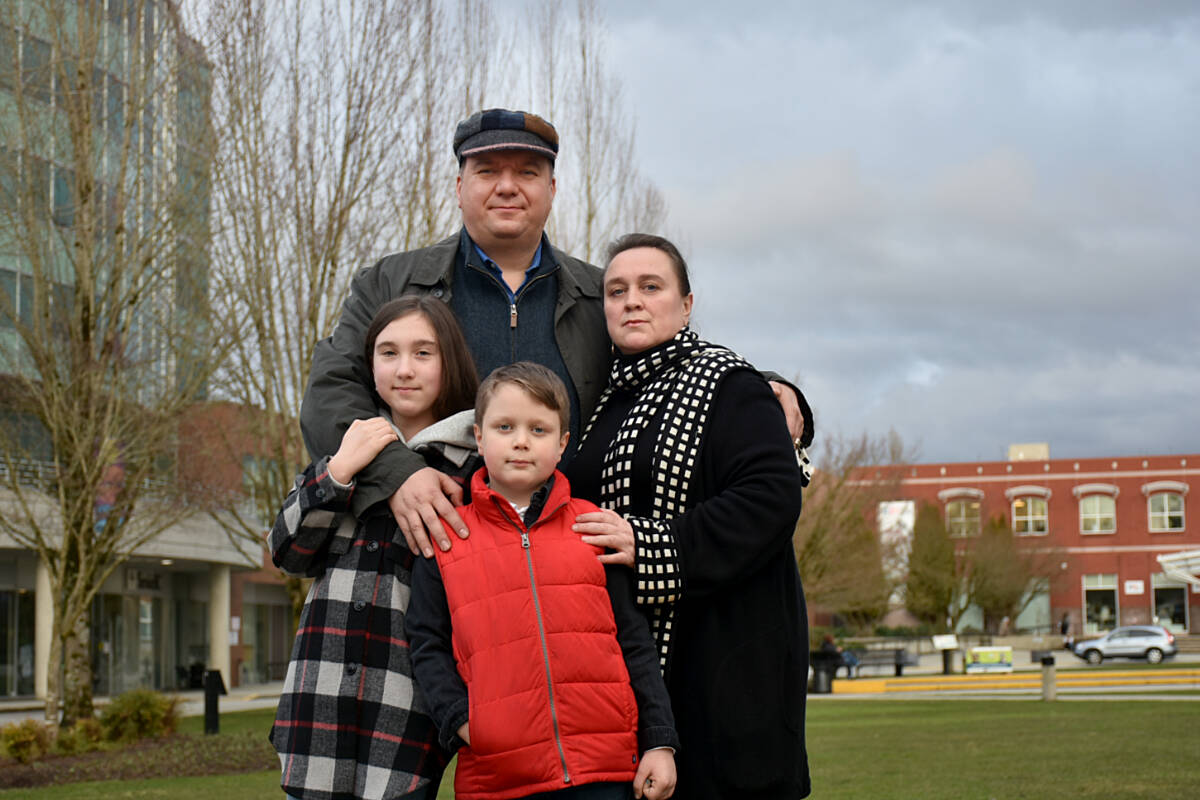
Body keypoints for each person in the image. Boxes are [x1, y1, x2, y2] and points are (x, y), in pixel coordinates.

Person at [299, 108, 813, 561]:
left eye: (527, 172)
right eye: (486, 171)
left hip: (566, 559)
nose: (507, 186)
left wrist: (764, 387)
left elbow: (673, 362)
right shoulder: (391, 282)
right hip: (427, 555)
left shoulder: (600, 293)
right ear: (460, 187)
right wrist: (396, 474)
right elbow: (331, 391)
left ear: (552, 189)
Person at [565, 234, 811, 799]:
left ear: (687, 304)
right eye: (617, 290)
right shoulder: (603, 400)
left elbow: (771, 496)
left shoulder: (730, 382)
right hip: (631, 672)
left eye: (651, 287)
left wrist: (650, 544)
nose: (632, 301)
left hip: (727, 660)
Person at [407, 362, 679, 800]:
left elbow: (634, 642)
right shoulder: (447, 537)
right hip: (498, 776)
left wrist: (660, 740)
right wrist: (463, 721)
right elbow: (426, 643)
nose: (520, 441)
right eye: (504, 426)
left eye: (538, 430)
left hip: (604, 772)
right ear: (478, 436)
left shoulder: (594, 527)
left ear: (562, 444)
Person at [269, 296, 481, 800]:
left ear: (449, 361)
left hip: (406, 712)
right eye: (388, 353)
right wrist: (338, 472)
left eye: (423, 353)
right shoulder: (346, 448)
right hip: (314, 708)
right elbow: (287, 552)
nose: (404, 369)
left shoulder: (471, 471)